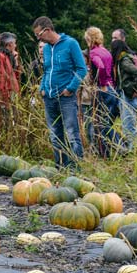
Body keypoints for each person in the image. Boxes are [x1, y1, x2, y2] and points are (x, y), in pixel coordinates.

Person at [32, 16, 87, 168]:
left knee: (71, 133)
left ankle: (75, 168)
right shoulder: (48, 49)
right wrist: (42, 88)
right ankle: (61, 166)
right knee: (55, 135)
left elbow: (82, 69)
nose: (39, 39)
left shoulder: (70, 44)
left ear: (48, 30)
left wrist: (70, 88)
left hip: (66, 97)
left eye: (39, 35)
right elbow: (47, 69)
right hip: (49, 97)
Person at [84, 27, 119, 158]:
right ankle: (115, 149)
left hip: (102, 89)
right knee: (107, 123)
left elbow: (101, 67)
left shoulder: (93, 53)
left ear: (89, 38)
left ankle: (105, 154)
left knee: (99, 124)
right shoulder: (106, 51)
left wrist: (102, 84)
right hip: (112, 89)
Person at [111, 38, 137, 153]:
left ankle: (131, 150)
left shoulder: (124, 61)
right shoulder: (125, 58)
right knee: (127, 124)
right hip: (126, 94)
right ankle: (130, 149)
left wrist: (135, 90)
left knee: (128, 125)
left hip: (127, 95)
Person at [0, 32, 22, 134]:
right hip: (5, 99)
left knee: (14, 126)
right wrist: (4, 101)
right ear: (9, 44)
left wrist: (16, 63)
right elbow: (1, 81)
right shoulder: (0, 58)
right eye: (14, 43)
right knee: (6, 127)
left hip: (11, 98)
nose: (15, 46)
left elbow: (15, 78)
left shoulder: (8, 58)